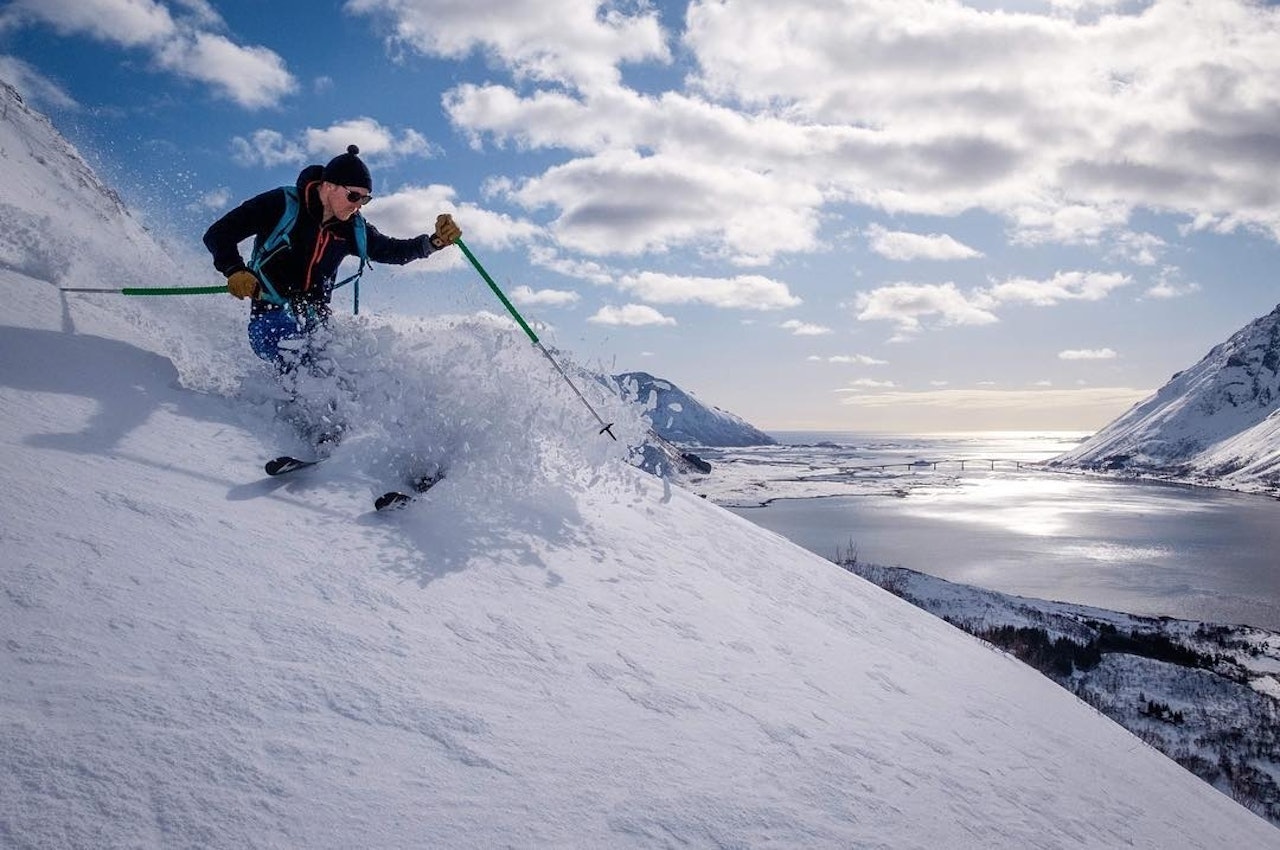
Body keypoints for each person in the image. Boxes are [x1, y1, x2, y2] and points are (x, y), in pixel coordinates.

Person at [203, 144, 461, 371]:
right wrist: (234, 269)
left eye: (365, 199)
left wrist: (435, 242)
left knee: (343, 370)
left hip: (316, 319)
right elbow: (218, 234)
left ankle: (342, 425)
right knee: (298, 358)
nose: (358, 205)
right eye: (353, 196)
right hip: (269, 313)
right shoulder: (282, 204)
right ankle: (289, 422)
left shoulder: (352, 228)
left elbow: (392, 251)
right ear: (328, 187)